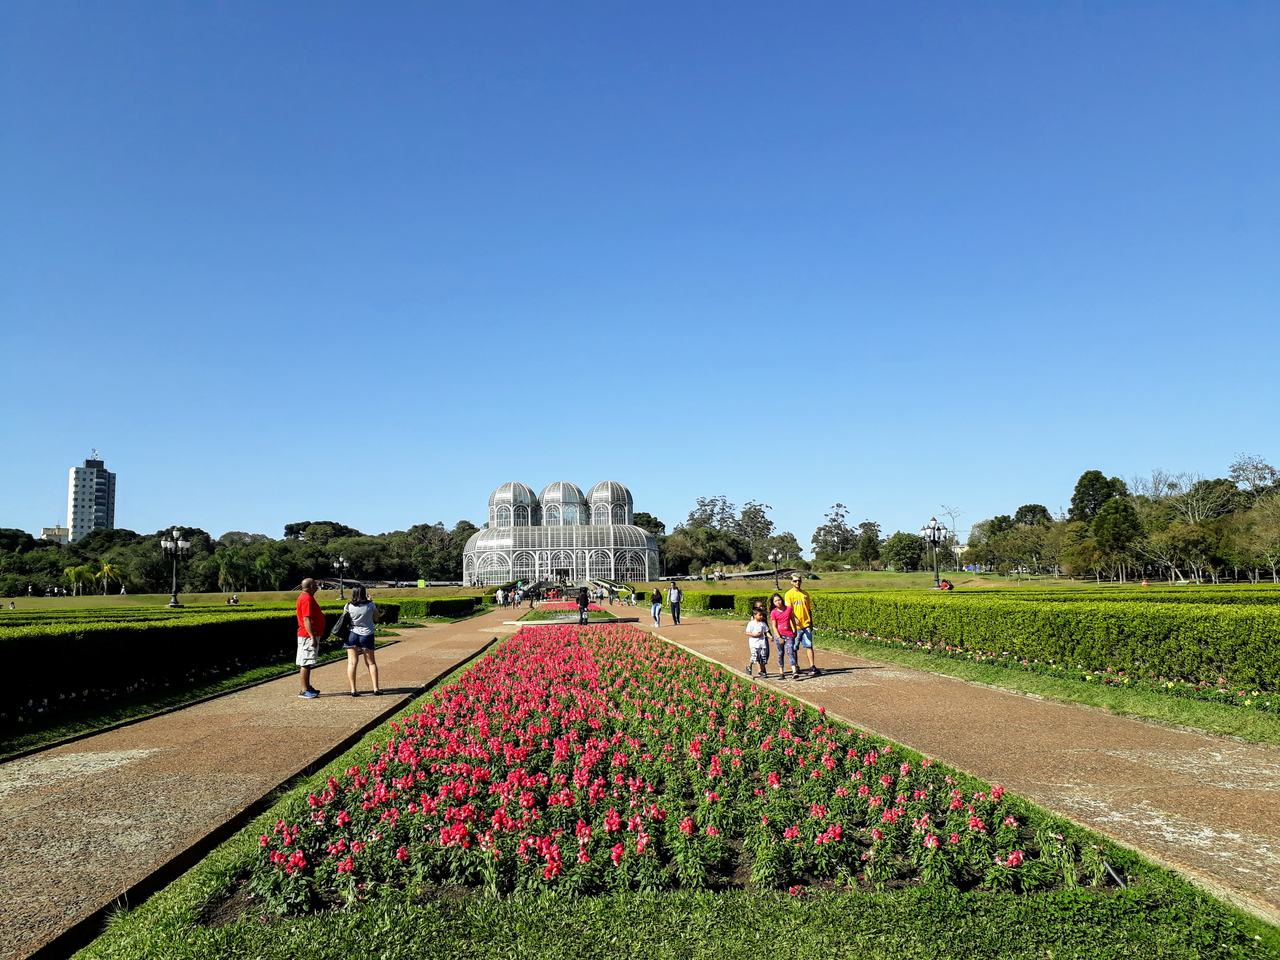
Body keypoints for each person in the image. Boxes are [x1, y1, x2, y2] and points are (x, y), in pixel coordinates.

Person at [342, 584, 381, 696]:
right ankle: (375, 688)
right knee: (371, 663)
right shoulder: (370, 605)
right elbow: (377, 618)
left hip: (352, 634)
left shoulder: (348, 605)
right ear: (364, 593)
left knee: (352, 663)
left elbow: (345, 619)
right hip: (367, 634)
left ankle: (353, 690)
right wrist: (371, 602)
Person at [784, 574, 819, 677]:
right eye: (795, 581)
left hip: (806, 624)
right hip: (795, 626)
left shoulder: (805, 594)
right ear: (791, 582)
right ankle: (796, 666)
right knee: (795, 647)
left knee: (809, 645)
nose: (797, 583)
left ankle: (812, 666)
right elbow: (788, 610)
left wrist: (811, 622)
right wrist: (792, 620)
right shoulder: (789, 594)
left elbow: (809, 609)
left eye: (799, 581)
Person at [295, 578, 325, 699]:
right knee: (306, 663)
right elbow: (306, 619)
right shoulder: (306, 598)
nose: (317, 586)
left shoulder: (305, 597)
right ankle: (304, 690)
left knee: (307, 662)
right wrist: (312, 636)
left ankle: (307, 686)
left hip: (307, 634)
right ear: (311, 586)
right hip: (307, 635)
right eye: (315, 584)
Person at [768, 591, 800, 680]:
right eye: (775, 601)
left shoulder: (789, 609)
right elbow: (774, 626)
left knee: (790, 651)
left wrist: (795, 630)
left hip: (789, 634)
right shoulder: (773, 612)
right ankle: (781, 673)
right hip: (779, 635)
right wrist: (778, 637)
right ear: (773, 603)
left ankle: (794, 671)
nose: (778, 602)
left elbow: (793, 620)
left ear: (782, 600)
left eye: (779, 600)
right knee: (780, 653)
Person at [744, 607, 770, 678]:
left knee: (762, 657)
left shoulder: (763, 624)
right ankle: (755, 669)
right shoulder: (751, 623)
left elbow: (766, 631)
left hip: (762, 643)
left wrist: (770, 637)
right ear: (755, 615)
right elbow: (747, 632)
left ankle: (760, 670)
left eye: (762, 615)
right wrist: (754, 635)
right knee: (755, 656)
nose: (761, 616)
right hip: (754, 643)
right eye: (760, 615)